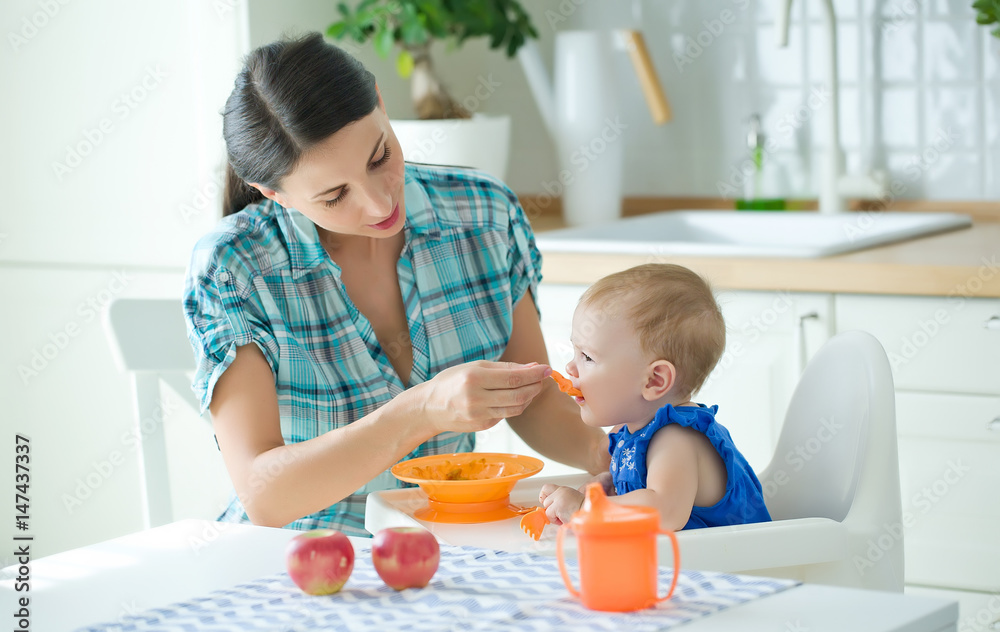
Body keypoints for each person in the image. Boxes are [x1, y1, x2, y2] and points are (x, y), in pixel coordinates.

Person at [182, 33, 609, 535]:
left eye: (380, 156)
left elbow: (533, 398)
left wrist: (647, 450)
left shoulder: (483, 213)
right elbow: (265, 496)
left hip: (451, 546)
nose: (381, 205)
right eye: (335, 195)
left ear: (382, 104)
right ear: (274, 194)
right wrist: (425, 408)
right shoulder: (234, 266)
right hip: (302, 563)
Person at [539, 263, 772, 530]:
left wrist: (584, 508)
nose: (570, 368)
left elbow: (664, 510)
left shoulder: (676, 438)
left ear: (654, 380)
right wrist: (611, 484)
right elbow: (647, 488)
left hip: (738, 568)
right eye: (575, 351)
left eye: (588, 357)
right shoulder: (634, 429)